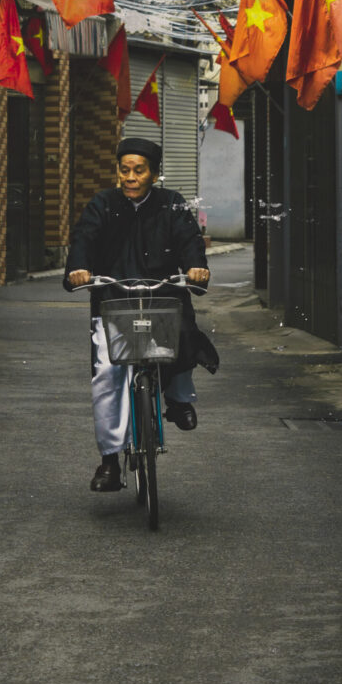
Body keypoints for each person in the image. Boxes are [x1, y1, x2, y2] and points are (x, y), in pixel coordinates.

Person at [65, 137, 218, 492]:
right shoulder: (102, 204)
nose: (131, 177)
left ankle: (178, 402)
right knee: (107, 370)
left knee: (181, 337)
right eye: (124, 169)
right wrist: (79, 269)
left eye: (139, 170)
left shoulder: (172, 205)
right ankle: (109, 461)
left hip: (162, 294)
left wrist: (196, 267)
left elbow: (190, 241)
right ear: (117, 171)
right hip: (113, 300)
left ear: (155, 174)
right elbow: (83, 240)